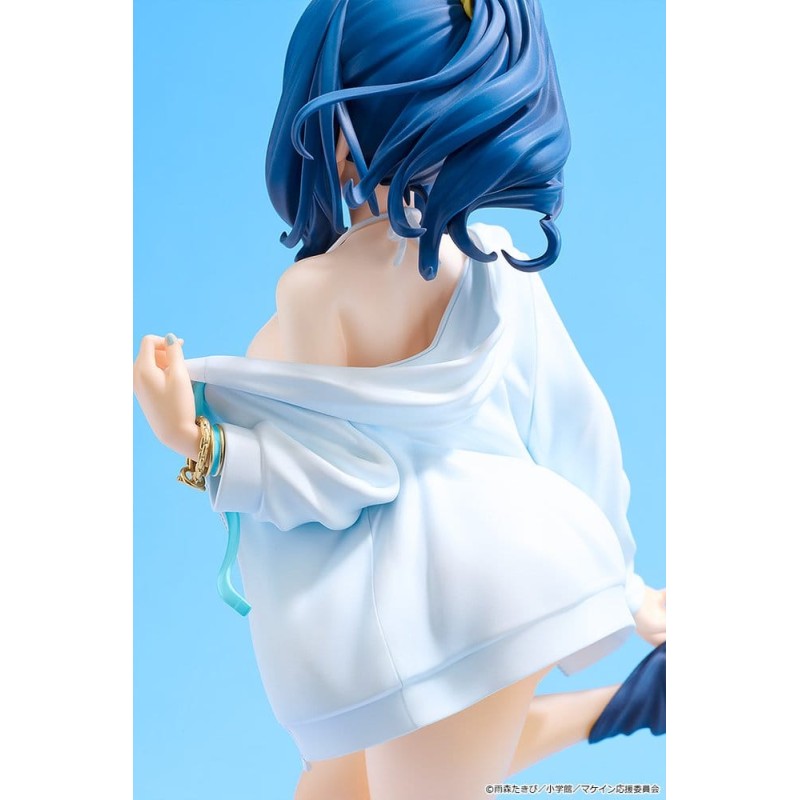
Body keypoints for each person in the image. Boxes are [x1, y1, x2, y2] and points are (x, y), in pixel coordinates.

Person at [133, 2, 666, 798]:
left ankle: (634, 703)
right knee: (344, 788)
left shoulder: (318, 292)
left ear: (333, 130)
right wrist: (625, 577)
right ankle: (634, 703)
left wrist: (195, 441)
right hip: (516, 566)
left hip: (434, 607)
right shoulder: (494, 260)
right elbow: (571, 422)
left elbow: (342, 474)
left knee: (419, 779)